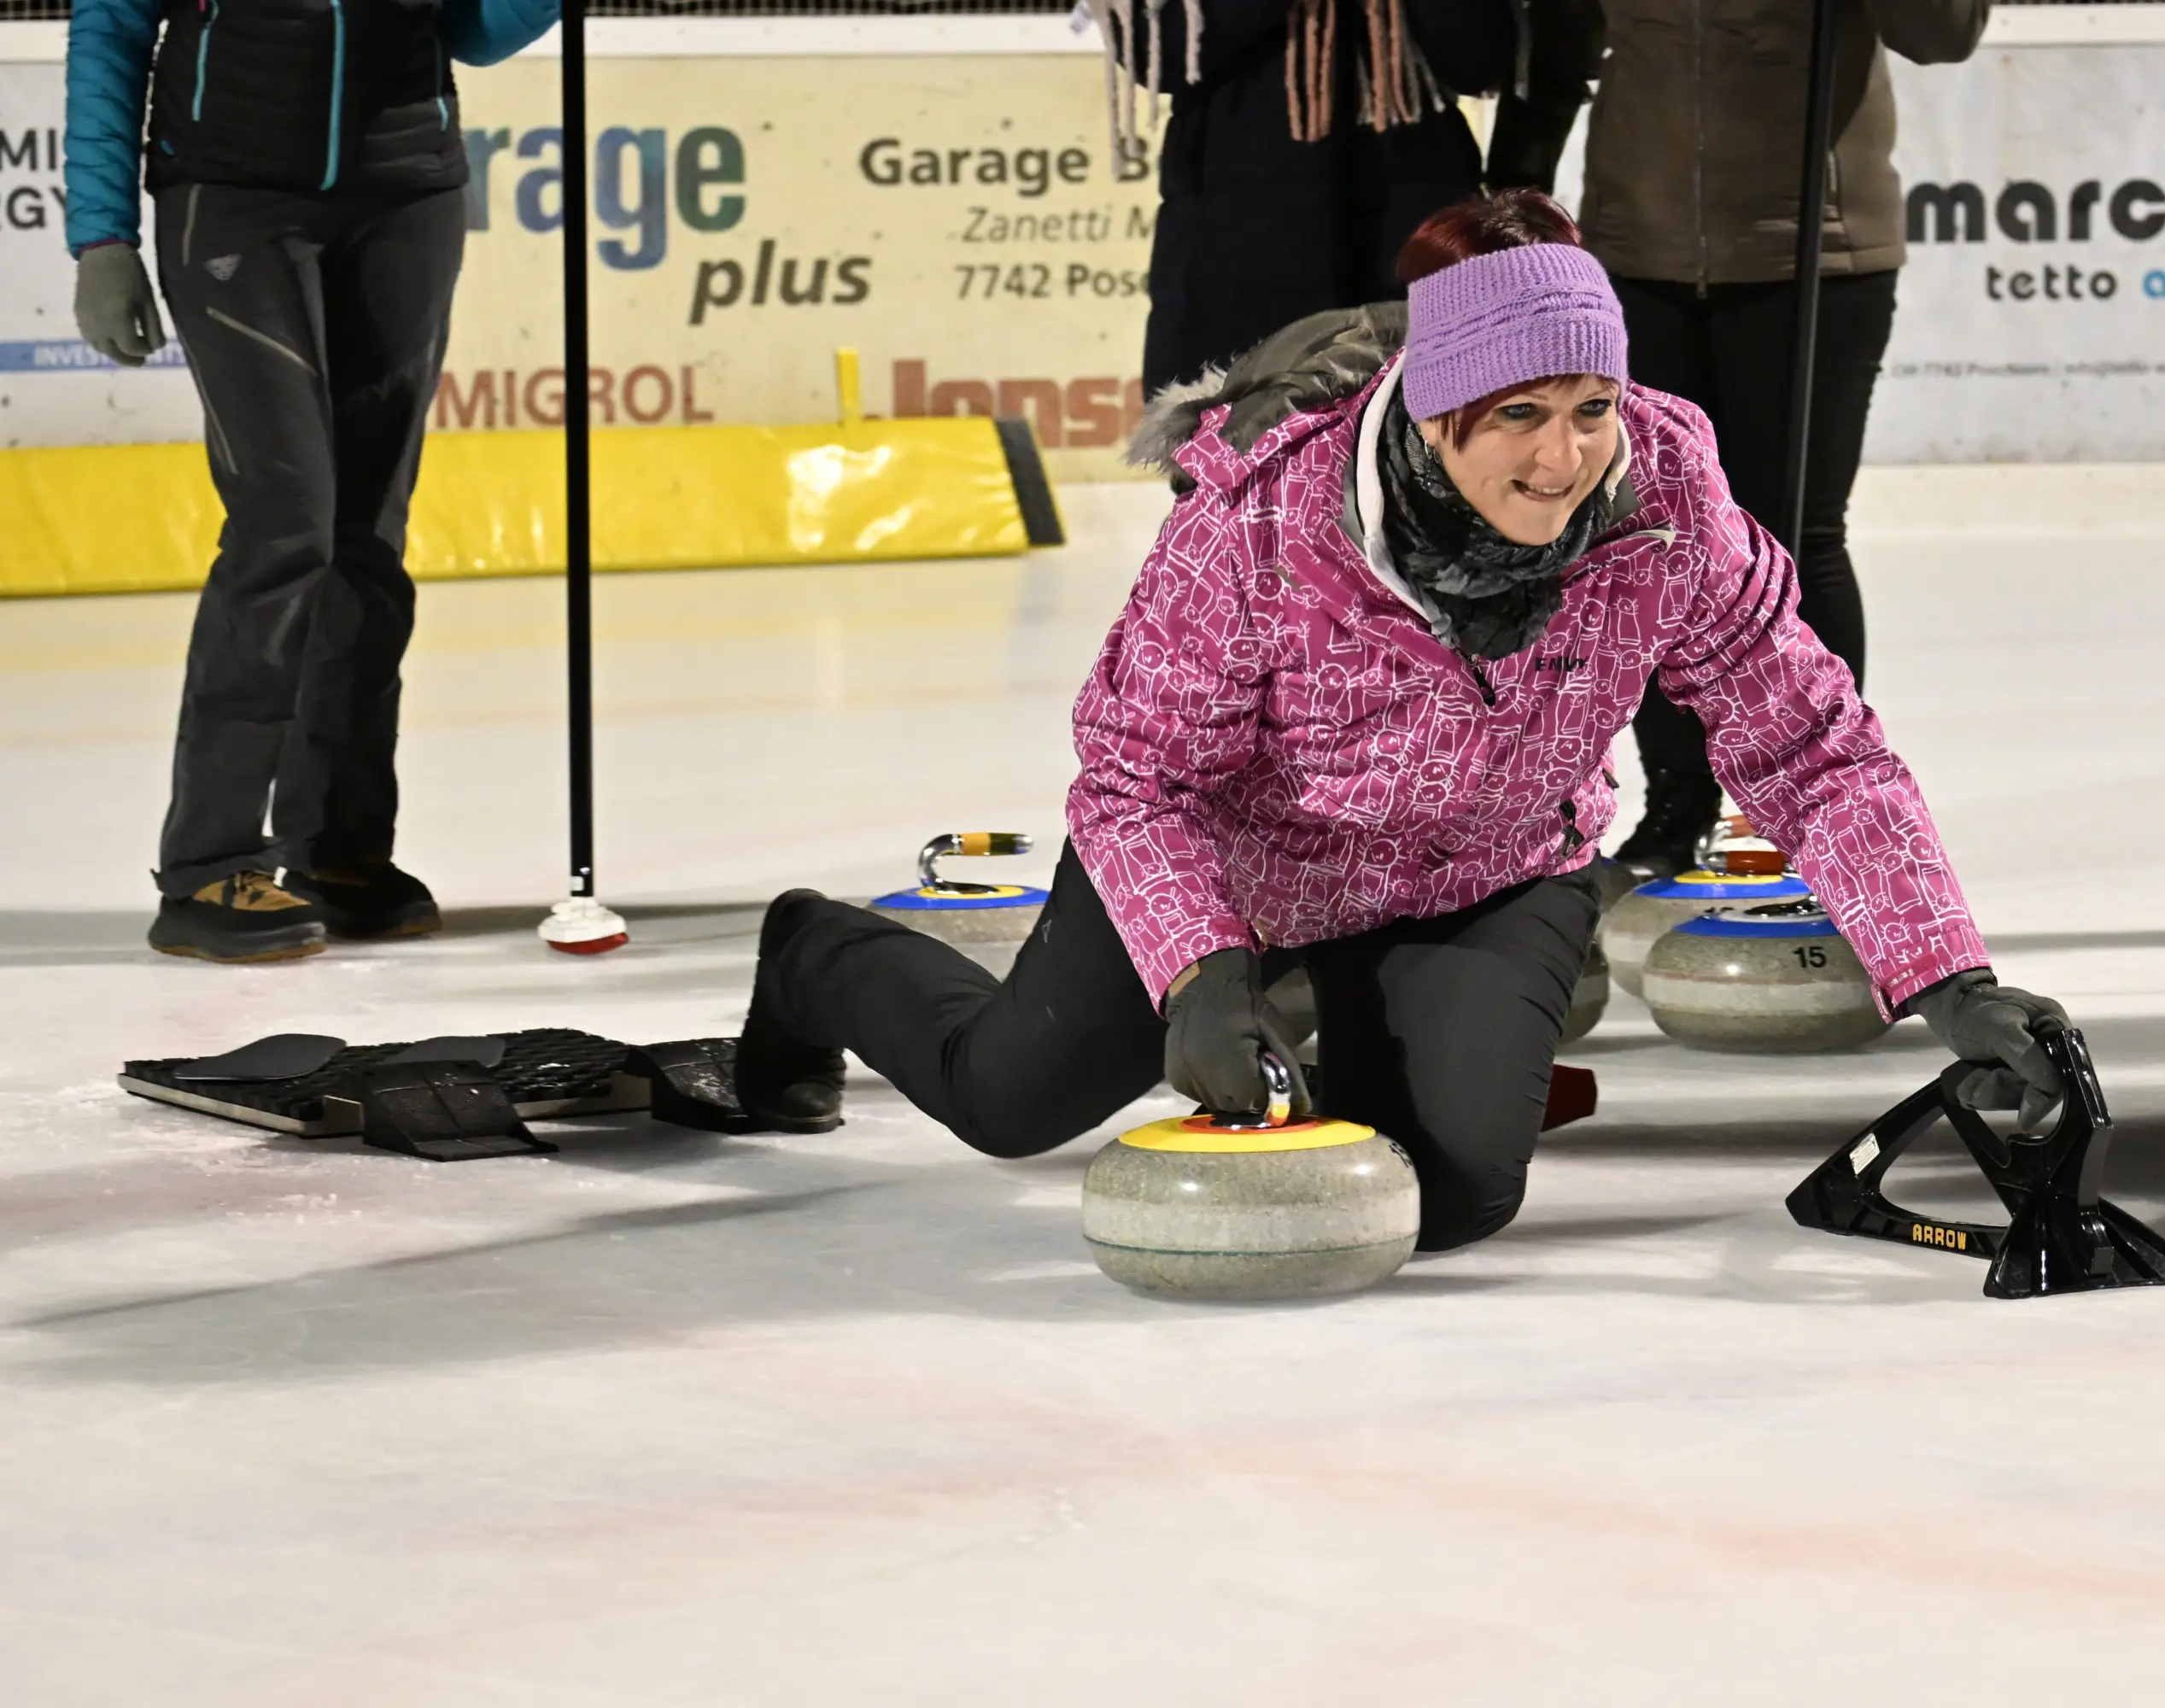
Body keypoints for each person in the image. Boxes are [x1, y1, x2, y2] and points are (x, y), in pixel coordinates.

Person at [728, 190, 2068, 1253]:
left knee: (1446, 1193)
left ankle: (1340, 1010)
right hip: (1243, 874)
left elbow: (1812, 743)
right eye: (1519, 417)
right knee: (1007, 1101)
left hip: (1486, 873)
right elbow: (1136, 784)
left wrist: (1948, 980)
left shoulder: (1668, 499)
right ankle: (811, 957)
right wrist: (1202, 972)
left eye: (1592, 410)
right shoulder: (1260, 528)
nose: (1565, 458)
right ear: (1434, 414)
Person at [64, 0, 559, 962]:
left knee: (368, 537)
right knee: (286, 522)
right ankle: (208, 863)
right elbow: (112, 29)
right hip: (231, 194)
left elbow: (477, 32)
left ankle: (338, 846)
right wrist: (102, 236)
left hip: (406, 195)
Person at [1486, 0, 1987, 877]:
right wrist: (1509, 200)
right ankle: (1678, 803)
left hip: (1814, 253)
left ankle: (1810, 805)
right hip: (1637, 253)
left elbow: (1943, 34)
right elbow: (1560, 51)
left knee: (1797, 536)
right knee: (1649, 541)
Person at [1102, 0, 1517, 395]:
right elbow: (1159, 48)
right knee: (1241, 429)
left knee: (1428, 429)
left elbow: (1478, 59)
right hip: (1236, 238)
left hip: (1406, 226)